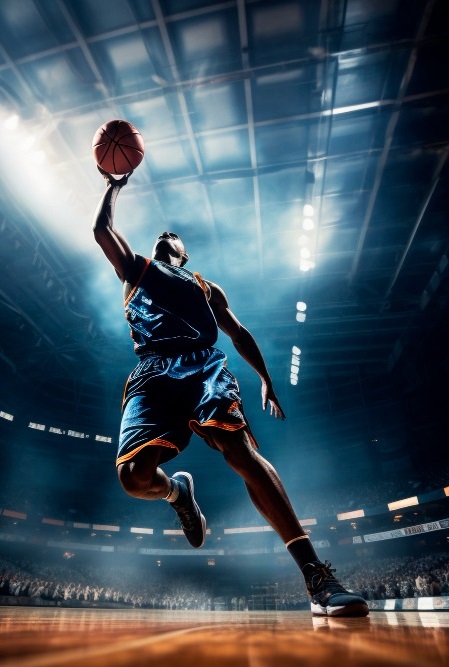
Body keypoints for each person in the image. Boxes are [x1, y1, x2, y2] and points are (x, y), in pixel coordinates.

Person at [92, 167, 369, 618]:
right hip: (153, 374)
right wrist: (113, 185)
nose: (167, 235)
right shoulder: (137, 269)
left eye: (175, 236)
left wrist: (266, 379)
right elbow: (101, 229)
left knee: (239, 451)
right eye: (162, 234)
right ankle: (178, 493)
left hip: (203, 366)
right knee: (132, 478)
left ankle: (317, 575)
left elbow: (238, 334)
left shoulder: (205, 287)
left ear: (183, 253)